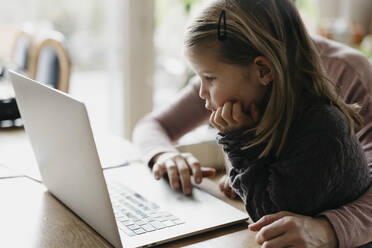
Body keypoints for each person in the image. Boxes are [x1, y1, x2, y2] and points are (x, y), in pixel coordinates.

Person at [133, 0, 372, 247]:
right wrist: (165, 155)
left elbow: (270, 210)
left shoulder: (338, 87)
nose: (203, 92)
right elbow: (152, 125)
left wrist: (327, 230)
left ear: (264, 71)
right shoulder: (225, 59)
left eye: (209, 79)